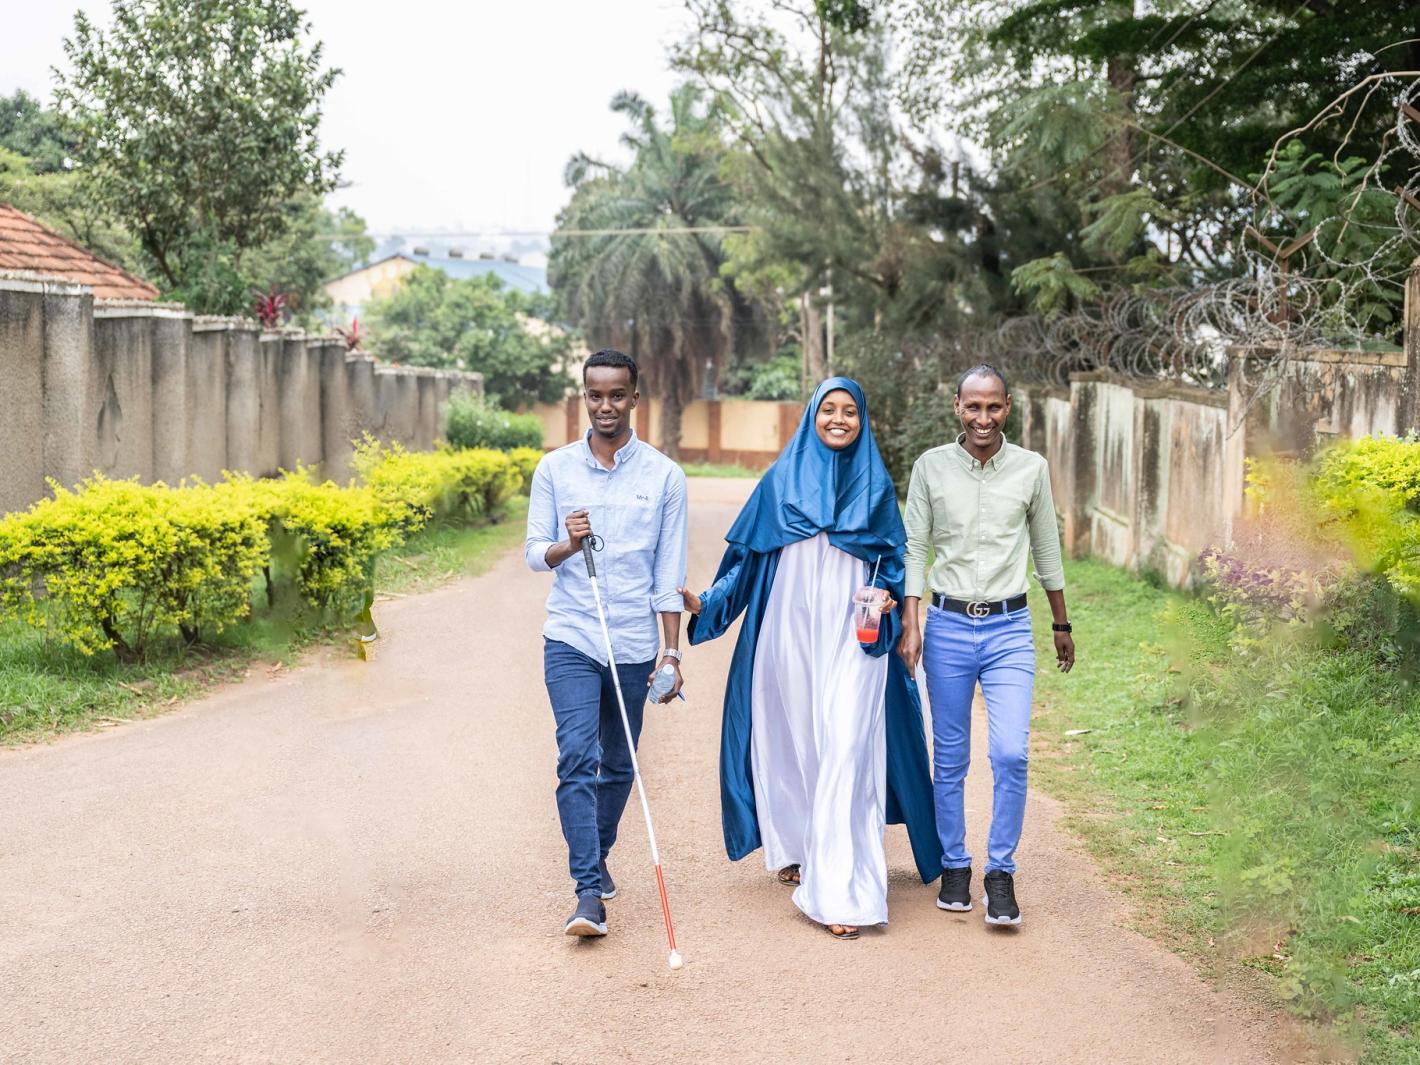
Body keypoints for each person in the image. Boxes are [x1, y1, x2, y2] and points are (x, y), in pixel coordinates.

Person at [681, 378, 940, 940]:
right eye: (829, 410)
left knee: (848, 746)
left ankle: (841, 889)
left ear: (862, 420)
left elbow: (896, 565)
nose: (840, 419)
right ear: (812, 417)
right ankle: (800, 847)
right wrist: (705, 605)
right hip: (789, 637)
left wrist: (897, 607)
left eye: (850, 411)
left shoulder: (875, 487)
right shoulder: (779, 484)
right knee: (798, 744)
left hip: (856, 640)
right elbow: (743, 567)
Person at [898, 363, 1076, 928]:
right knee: (948, 758)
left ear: (1008, 407)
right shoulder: (930, 467)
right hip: (947, 627)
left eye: (993, 407)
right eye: (973, 407)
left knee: (1010, 754)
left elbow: (1046, 547)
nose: (983, 417)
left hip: (1009, 630)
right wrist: (912, 621)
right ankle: (956, 866)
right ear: (957, 407)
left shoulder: (1030, 469)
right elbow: (914, 548)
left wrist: (1061, 624)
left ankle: (1000, 872)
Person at [524, 349, 688, 939]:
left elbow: (669, 574)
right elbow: (533, 554)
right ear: (584, 398)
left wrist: (671, 654)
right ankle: (588, 892)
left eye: (617, 394)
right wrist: (568, 544)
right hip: (571, 635)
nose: (606, 405)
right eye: (595, 395)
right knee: (577, 755)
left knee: (618, 764)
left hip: (634, 643)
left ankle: (599, 854)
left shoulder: (665, 476)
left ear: (635, 398)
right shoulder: (555, 470)